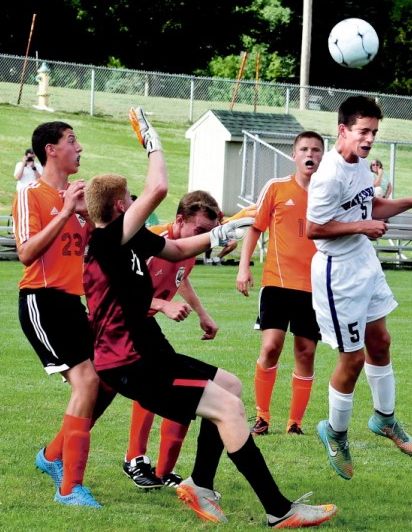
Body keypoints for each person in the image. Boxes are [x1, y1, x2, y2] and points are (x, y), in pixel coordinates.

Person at [83, 107, 337, 527]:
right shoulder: (108, 241)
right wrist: (153, 140)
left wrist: (223, 232)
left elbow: (179, 250)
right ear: (117, 206)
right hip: (130, 363)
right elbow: (159, 187)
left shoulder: (132, 240)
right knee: (228, 408)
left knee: (231, 387)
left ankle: (201, 482)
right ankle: (279, 510)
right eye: (129, 199)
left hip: (147, 353)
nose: (136, 202)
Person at [306, 95, 412, 480]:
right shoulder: (328, 175)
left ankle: (385, 419)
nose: (369, 139)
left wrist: (410, 201)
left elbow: (370, 206)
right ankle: (335, 432)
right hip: (337, 273)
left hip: (364, 262)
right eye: (363, 131)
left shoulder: (360, 164)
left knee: (380, 341)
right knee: (354, 358)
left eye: (374, 132)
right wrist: (362, 227)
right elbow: (313, 229)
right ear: (342, 130)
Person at [13, 122, 103, 507]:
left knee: (105, 378)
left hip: (72, 303)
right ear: (51, 150)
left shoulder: (78, 201)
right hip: (42, 299)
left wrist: (89, 217)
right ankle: (69, 489)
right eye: (72, 141)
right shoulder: (30, 193)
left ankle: (51, 456)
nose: (79, 147)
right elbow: (26, 252)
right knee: (86, 382)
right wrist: (66, 211)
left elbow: (95, 253)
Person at [122, 190, 227, 490]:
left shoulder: (185, 248)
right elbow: (119, 291)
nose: (204, 239)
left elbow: (181, 274)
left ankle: (165, 471)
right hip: (117, 329)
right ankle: (134, 459)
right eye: (200, 231)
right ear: (179, 220)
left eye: (210, 233)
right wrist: (161, 304)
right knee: (143, 389)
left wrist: (202, 314)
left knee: (179, 388)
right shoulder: (148, 240)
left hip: (144, 327)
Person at [237, 131, 325, 437]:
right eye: (304, 149)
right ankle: (262, 416)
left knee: (305, 352)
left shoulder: (328, 192)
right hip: (277, 282)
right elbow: (254, 228)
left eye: (315, 149)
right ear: (295, 155)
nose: (309, 153)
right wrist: (243, 266)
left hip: (315, 287)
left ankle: (295, 423)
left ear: (322, 156)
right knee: (271, 346)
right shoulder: (276, 187)